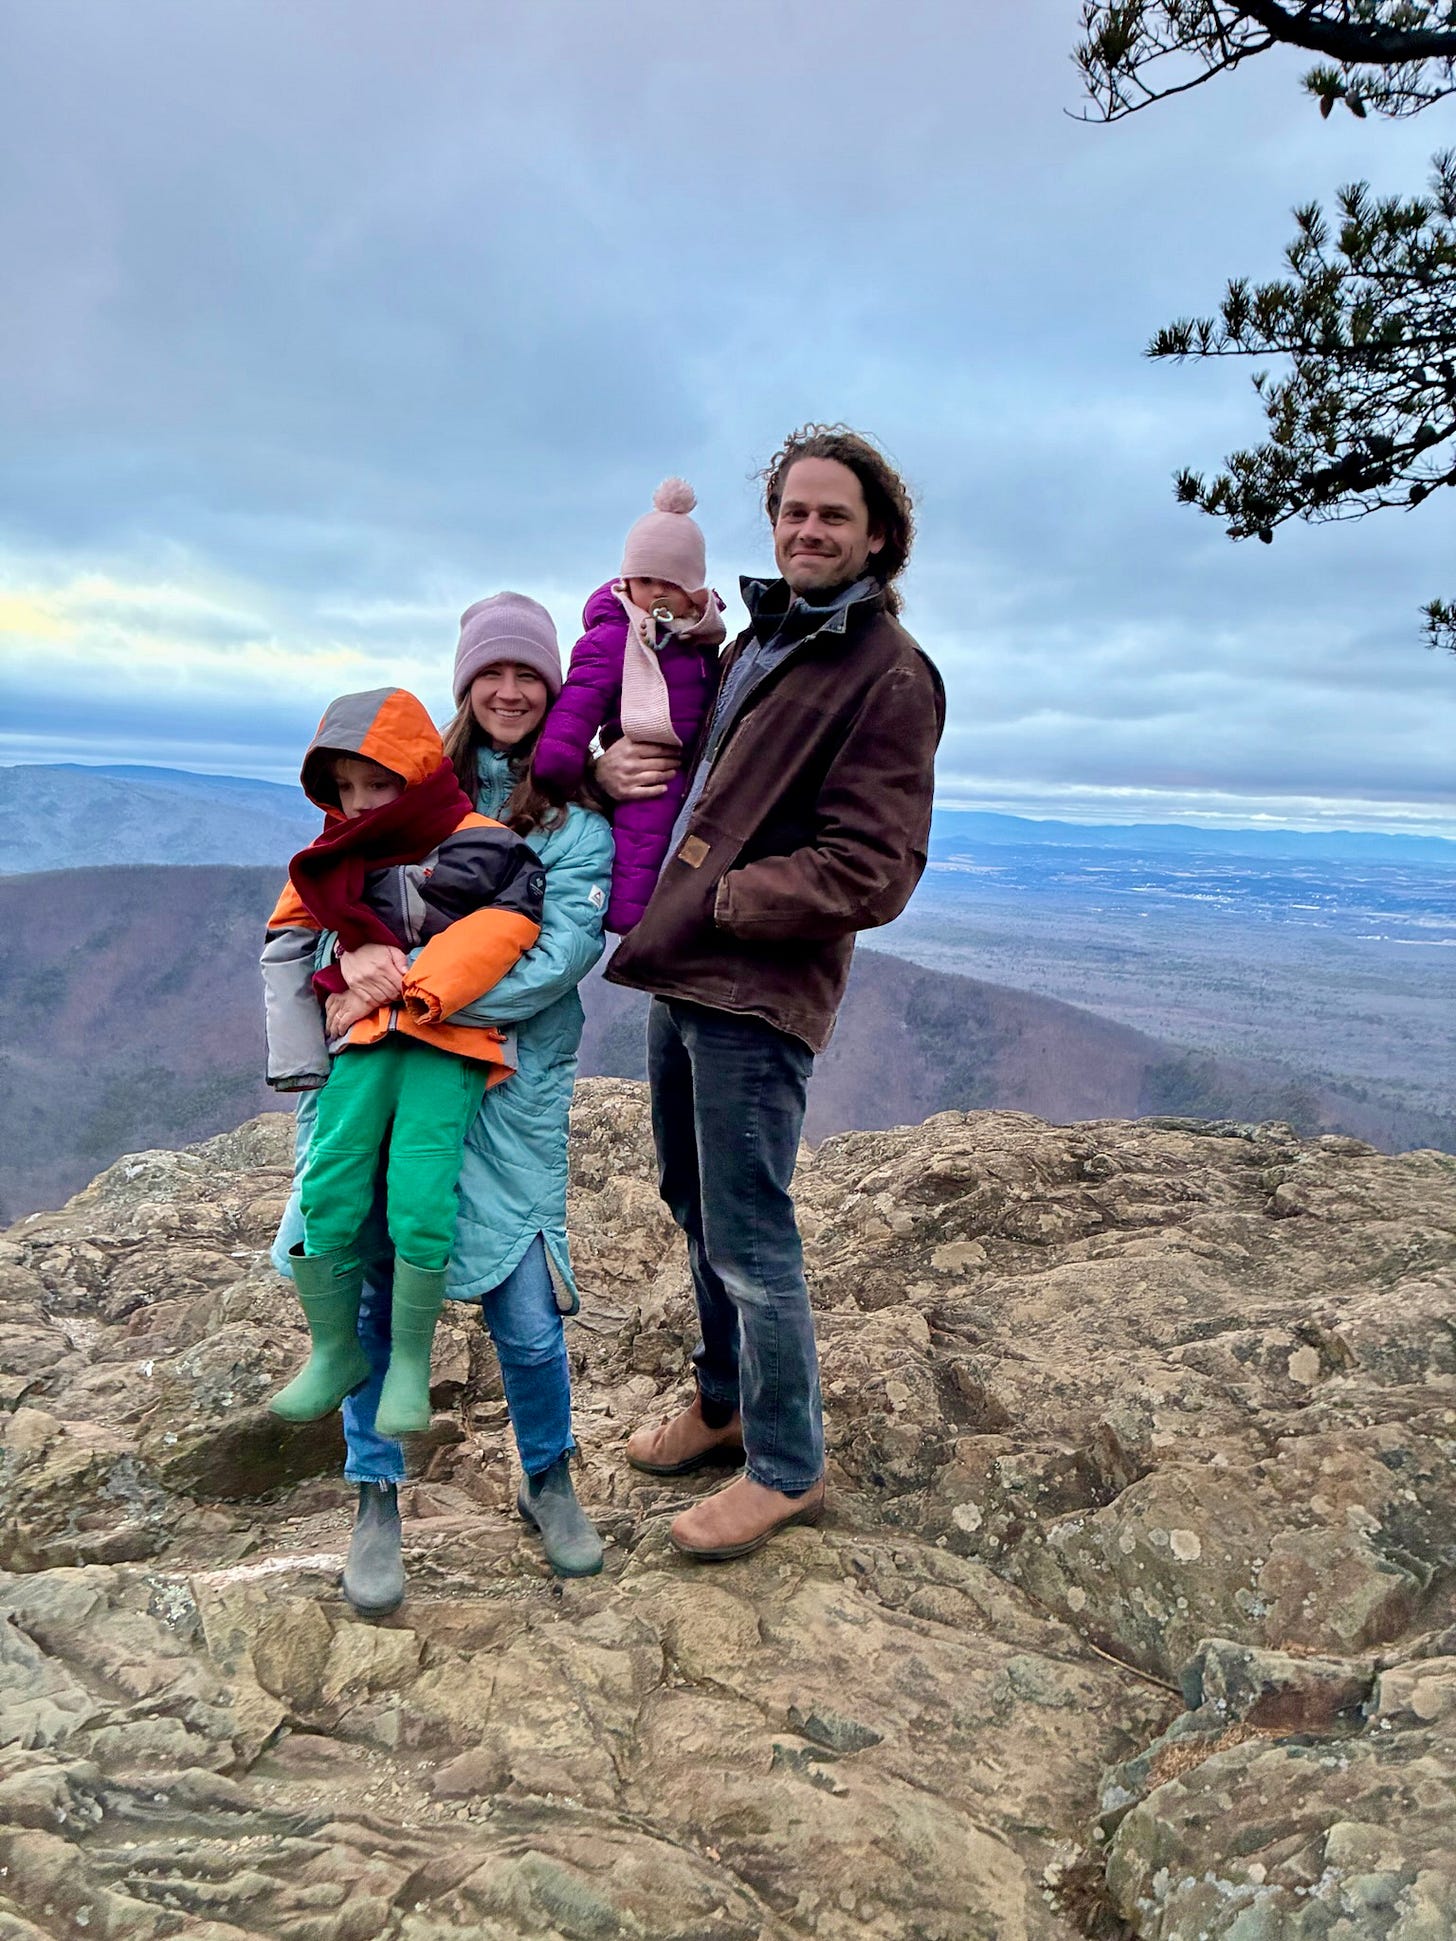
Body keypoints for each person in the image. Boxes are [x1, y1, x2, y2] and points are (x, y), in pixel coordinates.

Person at [600, 424, 945, 1561]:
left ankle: (788, 1465)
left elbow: (874, 867)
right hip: (687, 964)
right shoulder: (763, 640)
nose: (808, 529)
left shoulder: (887, 673)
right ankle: (724, 1400)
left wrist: (725, 898)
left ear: (877, 537)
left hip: (756, 983)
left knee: (749, 1229)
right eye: (794, 511)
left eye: (833, 514)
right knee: (691, 1197)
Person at [273, 593, 615, 1613]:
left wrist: (396, 990)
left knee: (527, 1315)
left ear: (554, 689)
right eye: (489, 674)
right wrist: (352, 959)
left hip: (506, 1080)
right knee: (370, 1282)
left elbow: (555, 959)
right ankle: (374, 1498)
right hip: (377, 1068)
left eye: (528, 675)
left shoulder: (576, 820)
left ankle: (547, 1477)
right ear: (464, 687)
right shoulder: (401, 783)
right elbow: (324, 914)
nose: (508, 691)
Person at [261, 687, 545, 1437]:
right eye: (344, 787)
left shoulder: (484, 844)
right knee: (331, 1176)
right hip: (361, 1042)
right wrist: (308, 1045)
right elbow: (286, 947)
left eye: (378, 784)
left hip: (447, 1037)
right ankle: (334, 1351)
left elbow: (510, 925)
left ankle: (412, 1363)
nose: (359, 804)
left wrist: (408, 985)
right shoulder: (332, 855)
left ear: (417, 774)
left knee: (421, 1190)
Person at [531, 478, 725, 933]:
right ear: (626, 581)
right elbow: (579, 704)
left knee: (684, 861)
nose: (654, 593)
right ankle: (630, 925)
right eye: (644, 580)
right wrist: (562, 765)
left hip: (693, 772)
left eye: (669, 582)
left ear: (692, 589)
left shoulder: (700, 638)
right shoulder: (613, 637)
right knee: (641, 849)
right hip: (644, 764)